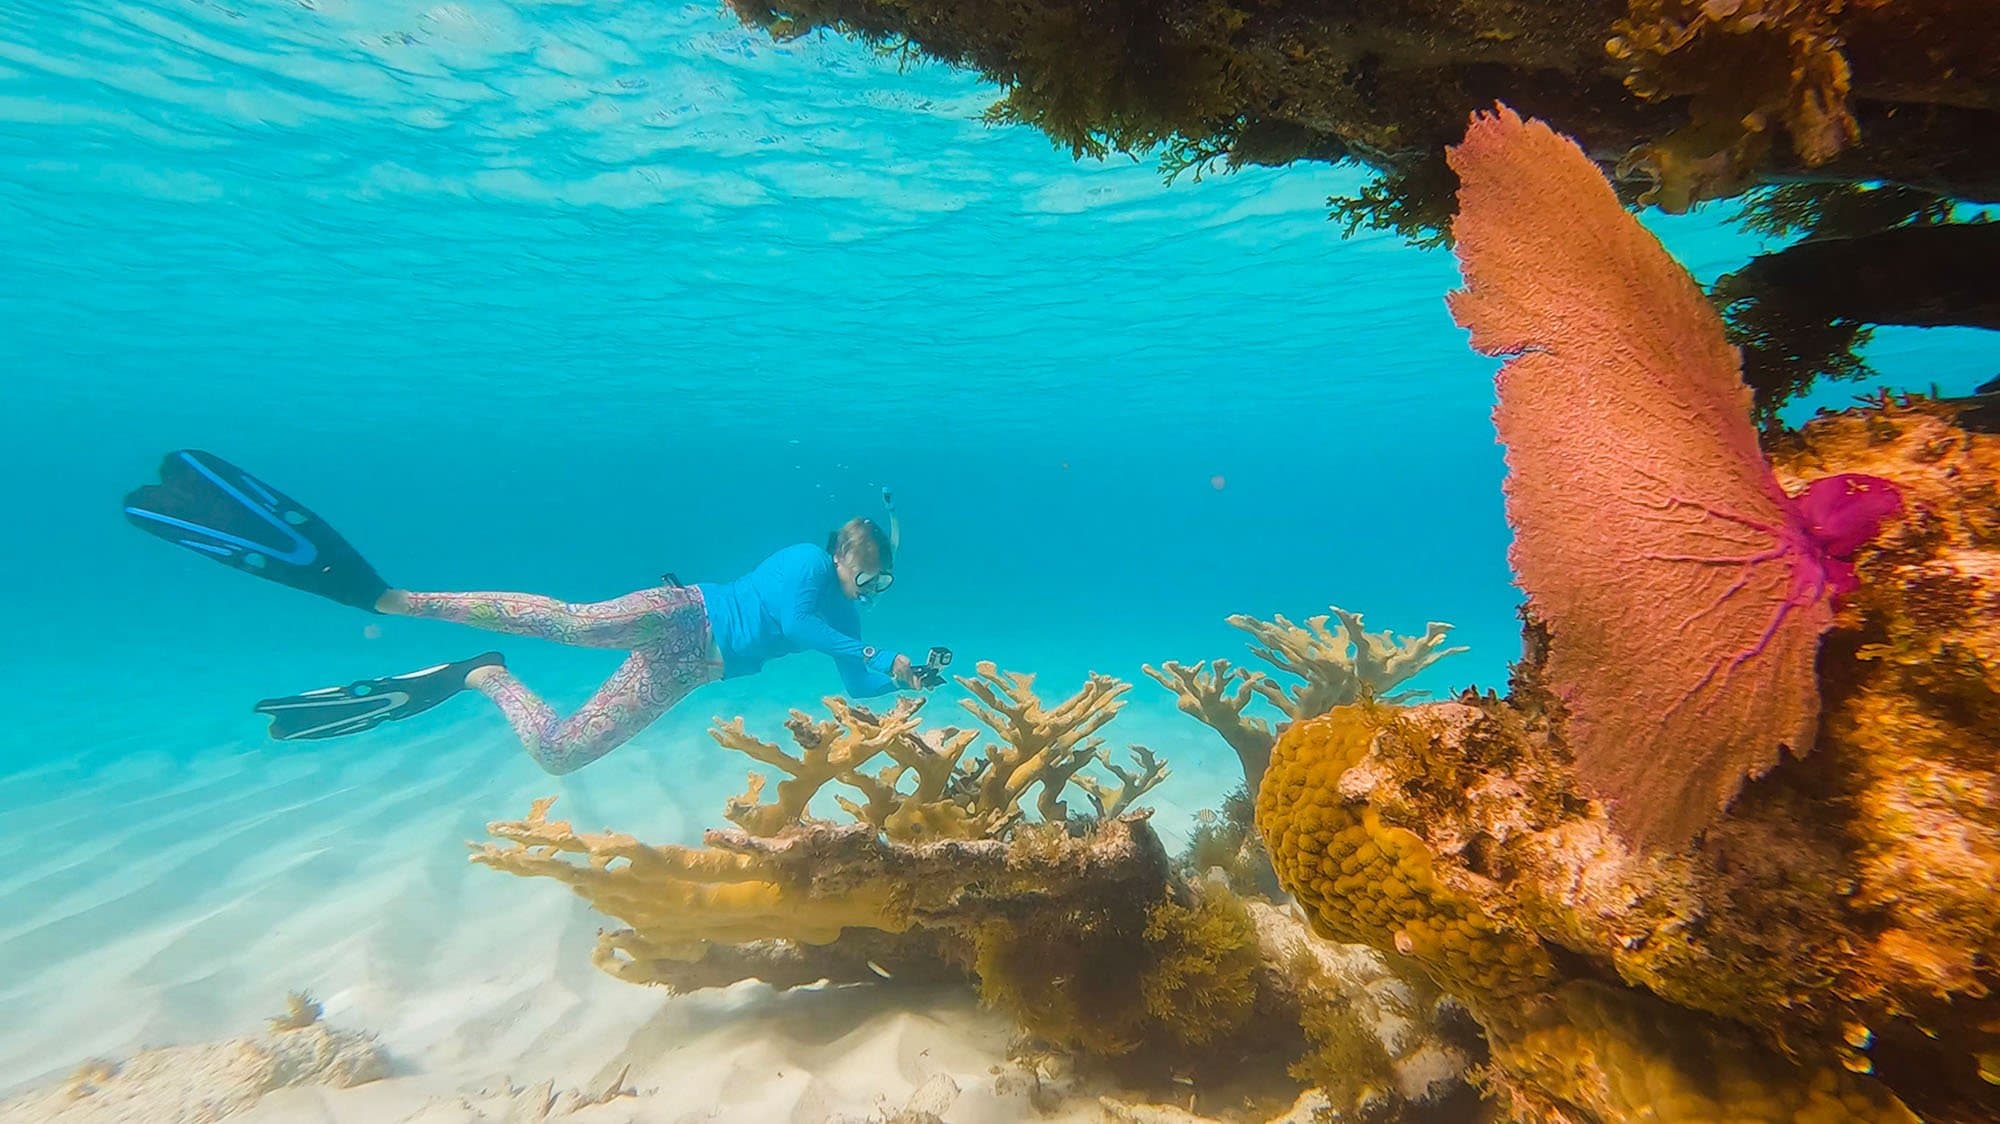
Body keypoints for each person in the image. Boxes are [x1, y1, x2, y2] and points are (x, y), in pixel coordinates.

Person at [123, 449, 945, 774]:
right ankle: (393, 599)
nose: (866, 582)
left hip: (693, 667)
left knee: (559, 754)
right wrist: (880, 656)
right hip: (683, 614)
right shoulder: (807, 568)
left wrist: (909, 686)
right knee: (577, 623)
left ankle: (482, 677)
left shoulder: (854, 628)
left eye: (874, 582)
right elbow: (802, 628)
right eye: (867, 567)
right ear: (846, 551)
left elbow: (859, 682)